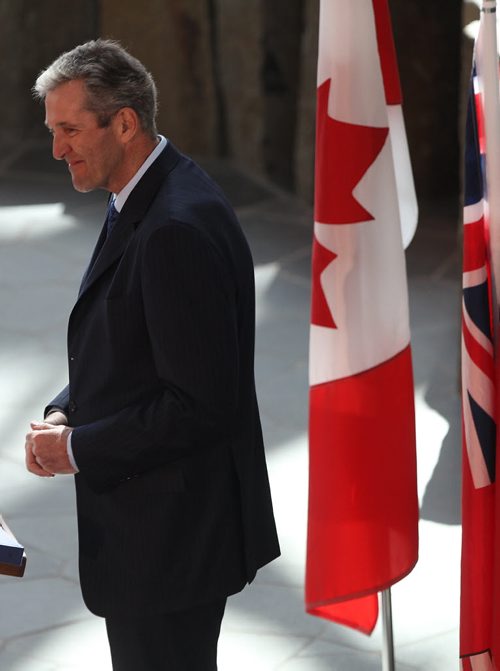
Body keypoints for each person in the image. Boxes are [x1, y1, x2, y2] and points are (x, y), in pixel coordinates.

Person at [25, 39, 280, 671]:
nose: (58, 149)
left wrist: (77, 450)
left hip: (171, 544)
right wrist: (66, 411)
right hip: (164, 535)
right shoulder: (150, 189)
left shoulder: (173, 230)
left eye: (69, 129)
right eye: (52, 130)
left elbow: (200, 405)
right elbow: (135, 346)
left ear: (126, 122)